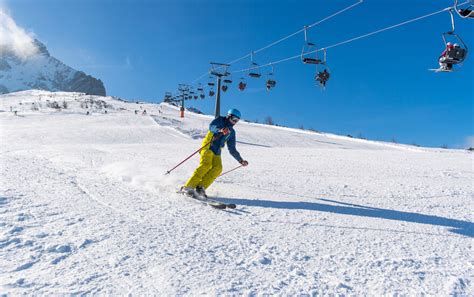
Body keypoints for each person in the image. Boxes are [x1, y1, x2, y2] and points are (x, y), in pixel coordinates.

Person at [181, 108, 248, 198]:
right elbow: (212, 127)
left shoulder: (231, 132)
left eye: (237, 120)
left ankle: (200, 187)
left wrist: (240, 160)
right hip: (208, 146)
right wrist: (220, 130)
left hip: (217, 151)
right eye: (233, 119)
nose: (234, 122)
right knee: (206, 165)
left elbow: (232, 149)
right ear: (228, 116)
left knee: (218, 168)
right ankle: (188, 187)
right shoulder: (220, 120)